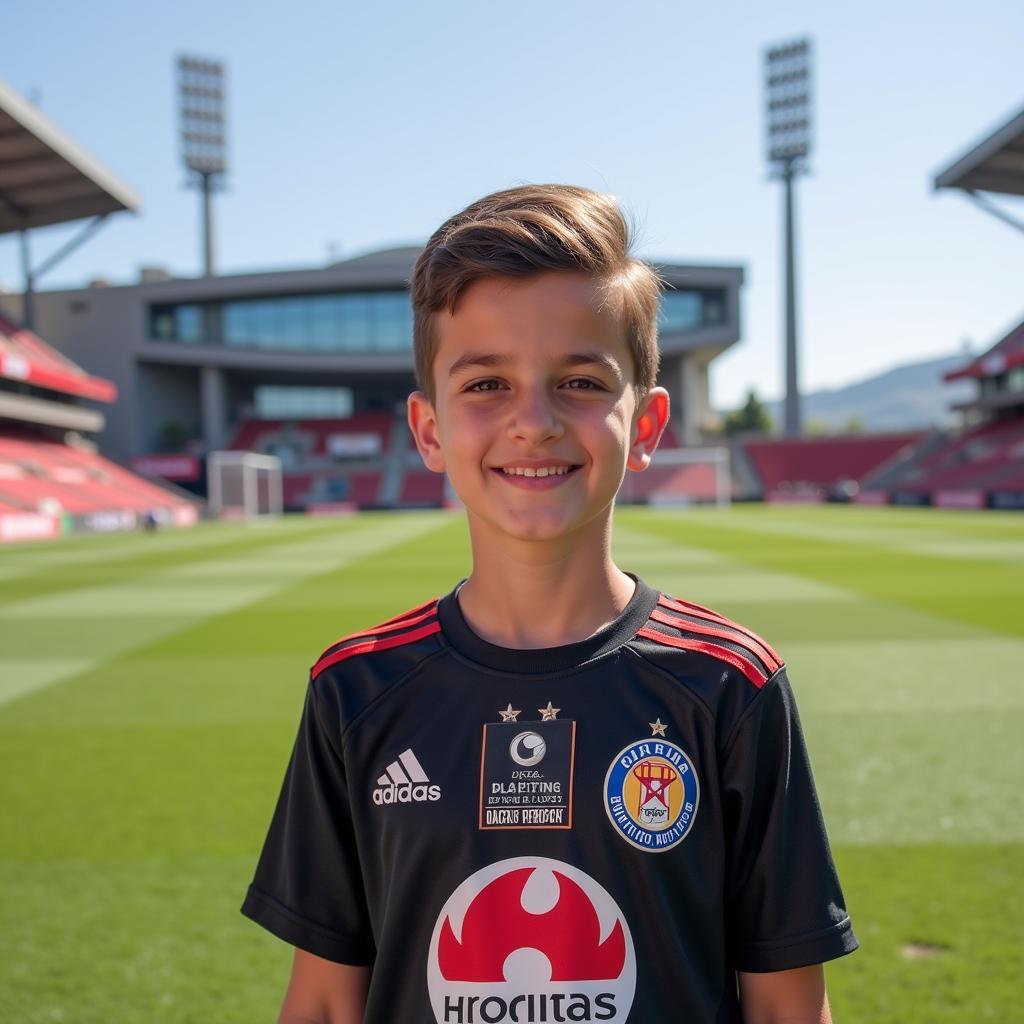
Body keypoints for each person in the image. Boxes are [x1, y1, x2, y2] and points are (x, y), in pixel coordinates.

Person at [242, 185, 857, 1024]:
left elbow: (789, 1008)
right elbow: (322, 998)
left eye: (577, 381)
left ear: (645, 426)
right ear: (428, 430)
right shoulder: (356, 689)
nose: (532, 421)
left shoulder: (729, 687)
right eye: (487, 383)